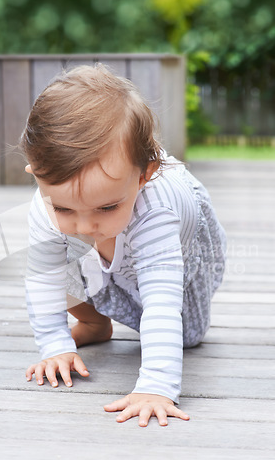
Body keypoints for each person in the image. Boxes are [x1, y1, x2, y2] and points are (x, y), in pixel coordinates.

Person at [20, 64, 226, 427]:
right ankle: (96, 324)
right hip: (109, 246)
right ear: (35, 174)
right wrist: (55, 344)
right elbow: (43, 280)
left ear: (144, 174)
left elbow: (162, 302)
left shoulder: (156, 212)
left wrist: (156, 387)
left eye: (106, 206)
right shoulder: (46, 205)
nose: (84, 225)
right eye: (64, 207)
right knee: (58, 262)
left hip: (175, 252)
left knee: (185, 335)